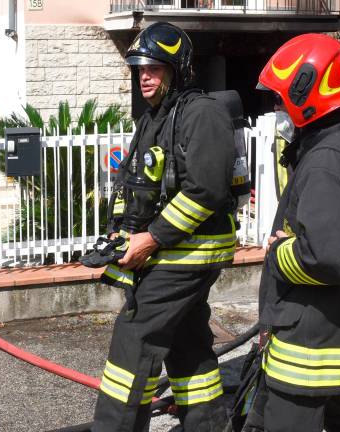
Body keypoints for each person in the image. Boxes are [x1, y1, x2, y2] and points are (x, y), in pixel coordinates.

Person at [91, 22, 236, 432]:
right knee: (189, 344)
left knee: (135, 340)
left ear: (179, 70)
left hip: (187, 253)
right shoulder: (157, 117)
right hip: (171, 251)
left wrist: (151, 239)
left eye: (154, 68)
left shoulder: (202, 114)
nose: (145, 77)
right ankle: (208, 424)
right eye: (140, 70)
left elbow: (204, 192)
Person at [246, 33, 340, 432]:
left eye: (280, 99)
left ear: (309, 93)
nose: (276, 108)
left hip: (310, 349)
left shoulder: (325, 163)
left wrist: (279, 252)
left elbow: (327, 258)